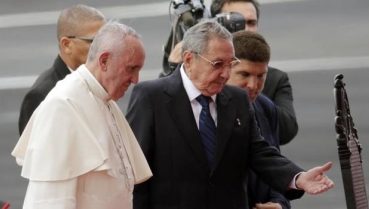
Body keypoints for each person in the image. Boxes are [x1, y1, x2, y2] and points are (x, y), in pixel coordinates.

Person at [126, 20, 333, 209]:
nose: (225, 74)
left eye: (230, 64)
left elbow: (259, 152)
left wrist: (298, 178)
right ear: (189, 59)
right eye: (217, 64)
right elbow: (135, 170)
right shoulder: (151, 97)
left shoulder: (237, 99)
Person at [12, 21, 152, 209]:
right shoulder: (62, 106)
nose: (136, 80)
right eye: (131, 69)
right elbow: (50, 201)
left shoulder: (104, 98)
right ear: (104, 61)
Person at [210, 0, 298, 145]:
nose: (244, 29)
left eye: (251, 22)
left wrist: (250, 94)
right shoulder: (201, 78)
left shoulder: (274, 79)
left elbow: (286, 132)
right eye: (235, 22)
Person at [18, 4, 106, 135]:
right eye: (93, 41)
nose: (104, 48)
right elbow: (34, 153)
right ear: (66, 45)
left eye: (105, 40)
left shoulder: (99, 81)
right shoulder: (41, 96)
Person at [227, 30, 289, 209]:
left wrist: (279, 204)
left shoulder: (266, 107)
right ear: (226, 68)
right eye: (244, 75)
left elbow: (272, 167)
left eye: (261, 76)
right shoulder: (206, 111)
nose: (253, 86)